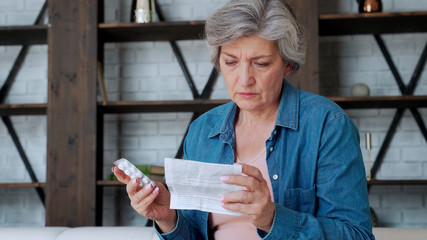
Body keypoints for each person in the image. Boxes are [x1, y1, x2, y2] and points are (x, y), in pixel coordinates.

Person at [112, 0, 375, 239]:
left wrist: (272, 219)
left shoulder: (326, 124)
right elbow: (194, 235)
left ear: (288, 65)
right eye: (231, 62)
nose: (244, 79)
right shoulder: (203, 131)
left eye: (260, 63)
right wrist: (169, 220)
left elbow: (356, 235)